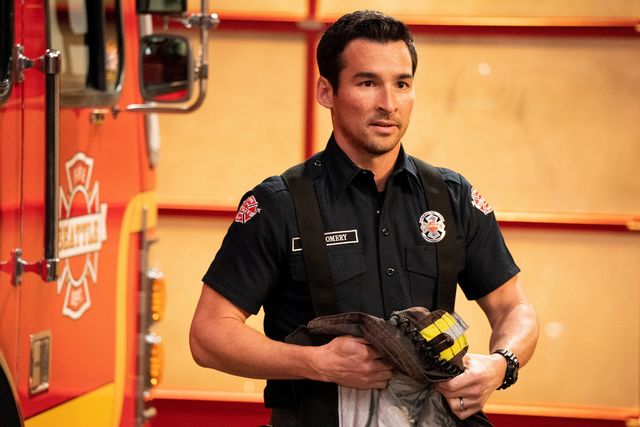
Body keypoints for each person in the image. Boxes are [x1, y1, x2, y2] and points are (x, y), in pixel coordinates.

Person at [190, 10, 539, 426]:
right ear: (326, 91)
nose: (388, 104)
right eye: (368, 83)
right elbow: (208, 335)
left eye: (402, 84)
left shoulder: (452, 197)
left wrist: (501, 364)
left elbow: (513, 307)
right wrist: (316, 363)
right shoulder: (279, 205)